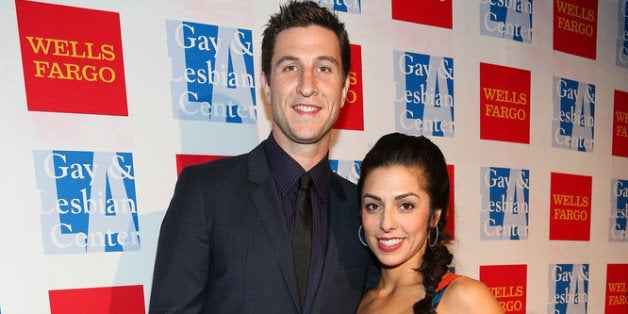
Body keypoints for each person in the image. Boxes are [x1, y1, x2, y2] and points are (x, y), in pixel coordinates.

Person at [149, 1, 377, 313]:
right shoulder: (205, 192)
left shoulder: (363, 209)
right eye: (290, 67)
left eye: (323, 68)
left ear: (344, 88)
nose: (307, 86)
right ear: (267, 85)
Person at [356, 133, 504, 314]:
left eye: (405, 206)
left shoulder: (464, 298)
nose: (386, 223)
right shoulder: (362, 301)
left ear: (434, 216)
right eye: (373, 206)